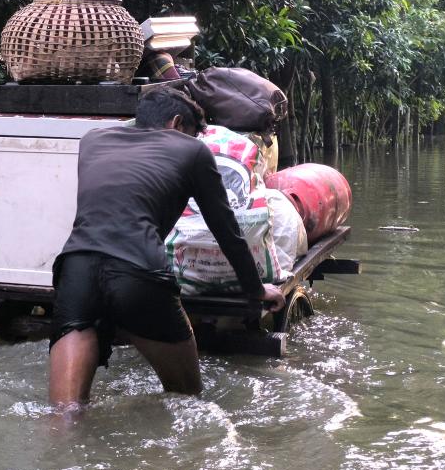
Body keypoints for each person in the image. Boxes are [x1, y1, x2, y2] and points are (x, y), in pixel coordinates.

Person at [48, 87, 284, 411]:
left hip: (75, 268)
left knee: (65, 415)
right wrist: (256, 290)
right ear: (177, 124)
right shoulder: (191, 151)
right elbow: (226, 230)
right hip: (138, 272)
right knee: (189, 401)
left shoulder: (93, 140)